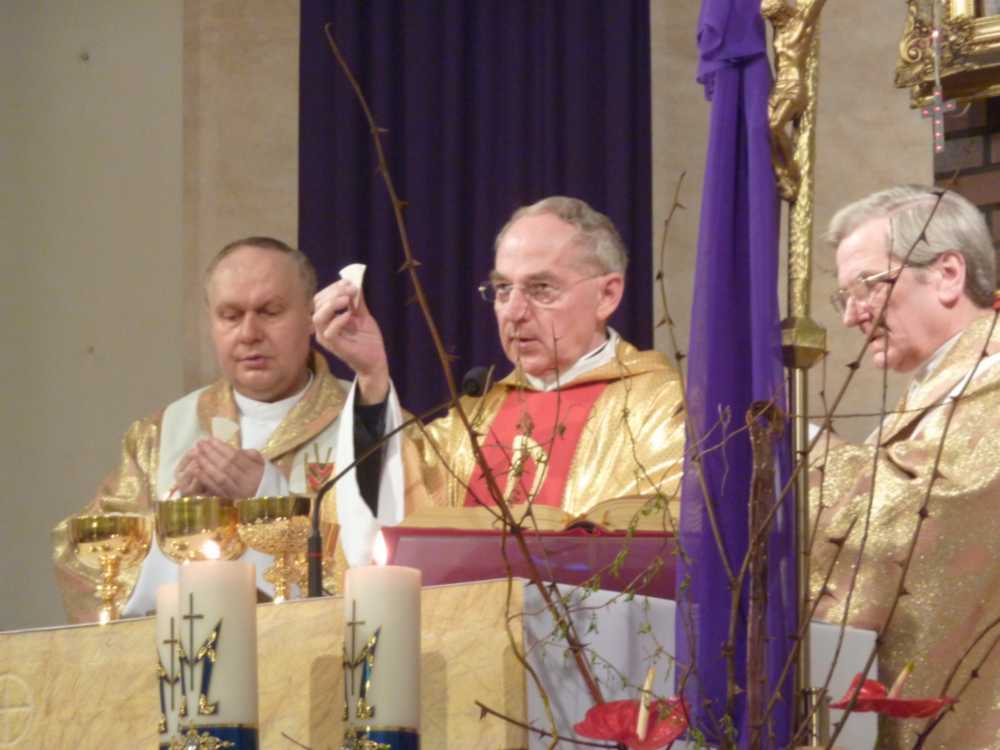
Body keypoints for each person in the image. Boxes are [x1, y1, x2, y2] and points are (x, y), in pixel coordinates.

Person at [313, 196, 687, 567]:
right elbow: (392, 515)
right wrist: (373, 377)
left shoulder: (662, 408)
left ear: (607, 295)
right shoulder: (474, 418)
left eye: (541, 288)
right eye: (504, 289)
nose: (514, 312)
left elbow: (666, 554)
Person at [52, 237, 393, 622]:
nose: (249, 333)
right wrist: (177, 520)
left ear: (309, 317)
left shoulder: (370, 418)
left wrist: (269, 499)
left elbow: (395, 554)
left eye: (270, 312)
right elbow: (84, 566)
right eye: (230, 315)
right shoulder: (160, 435)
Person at [810, 185, 1000, 749]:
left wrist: (798, 453)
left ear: (947, 274)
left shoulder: (992, 379)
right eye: (843, 297)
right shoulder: (938, 388)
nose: (852, 316)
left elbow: (918, 514)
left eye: (868, 286)